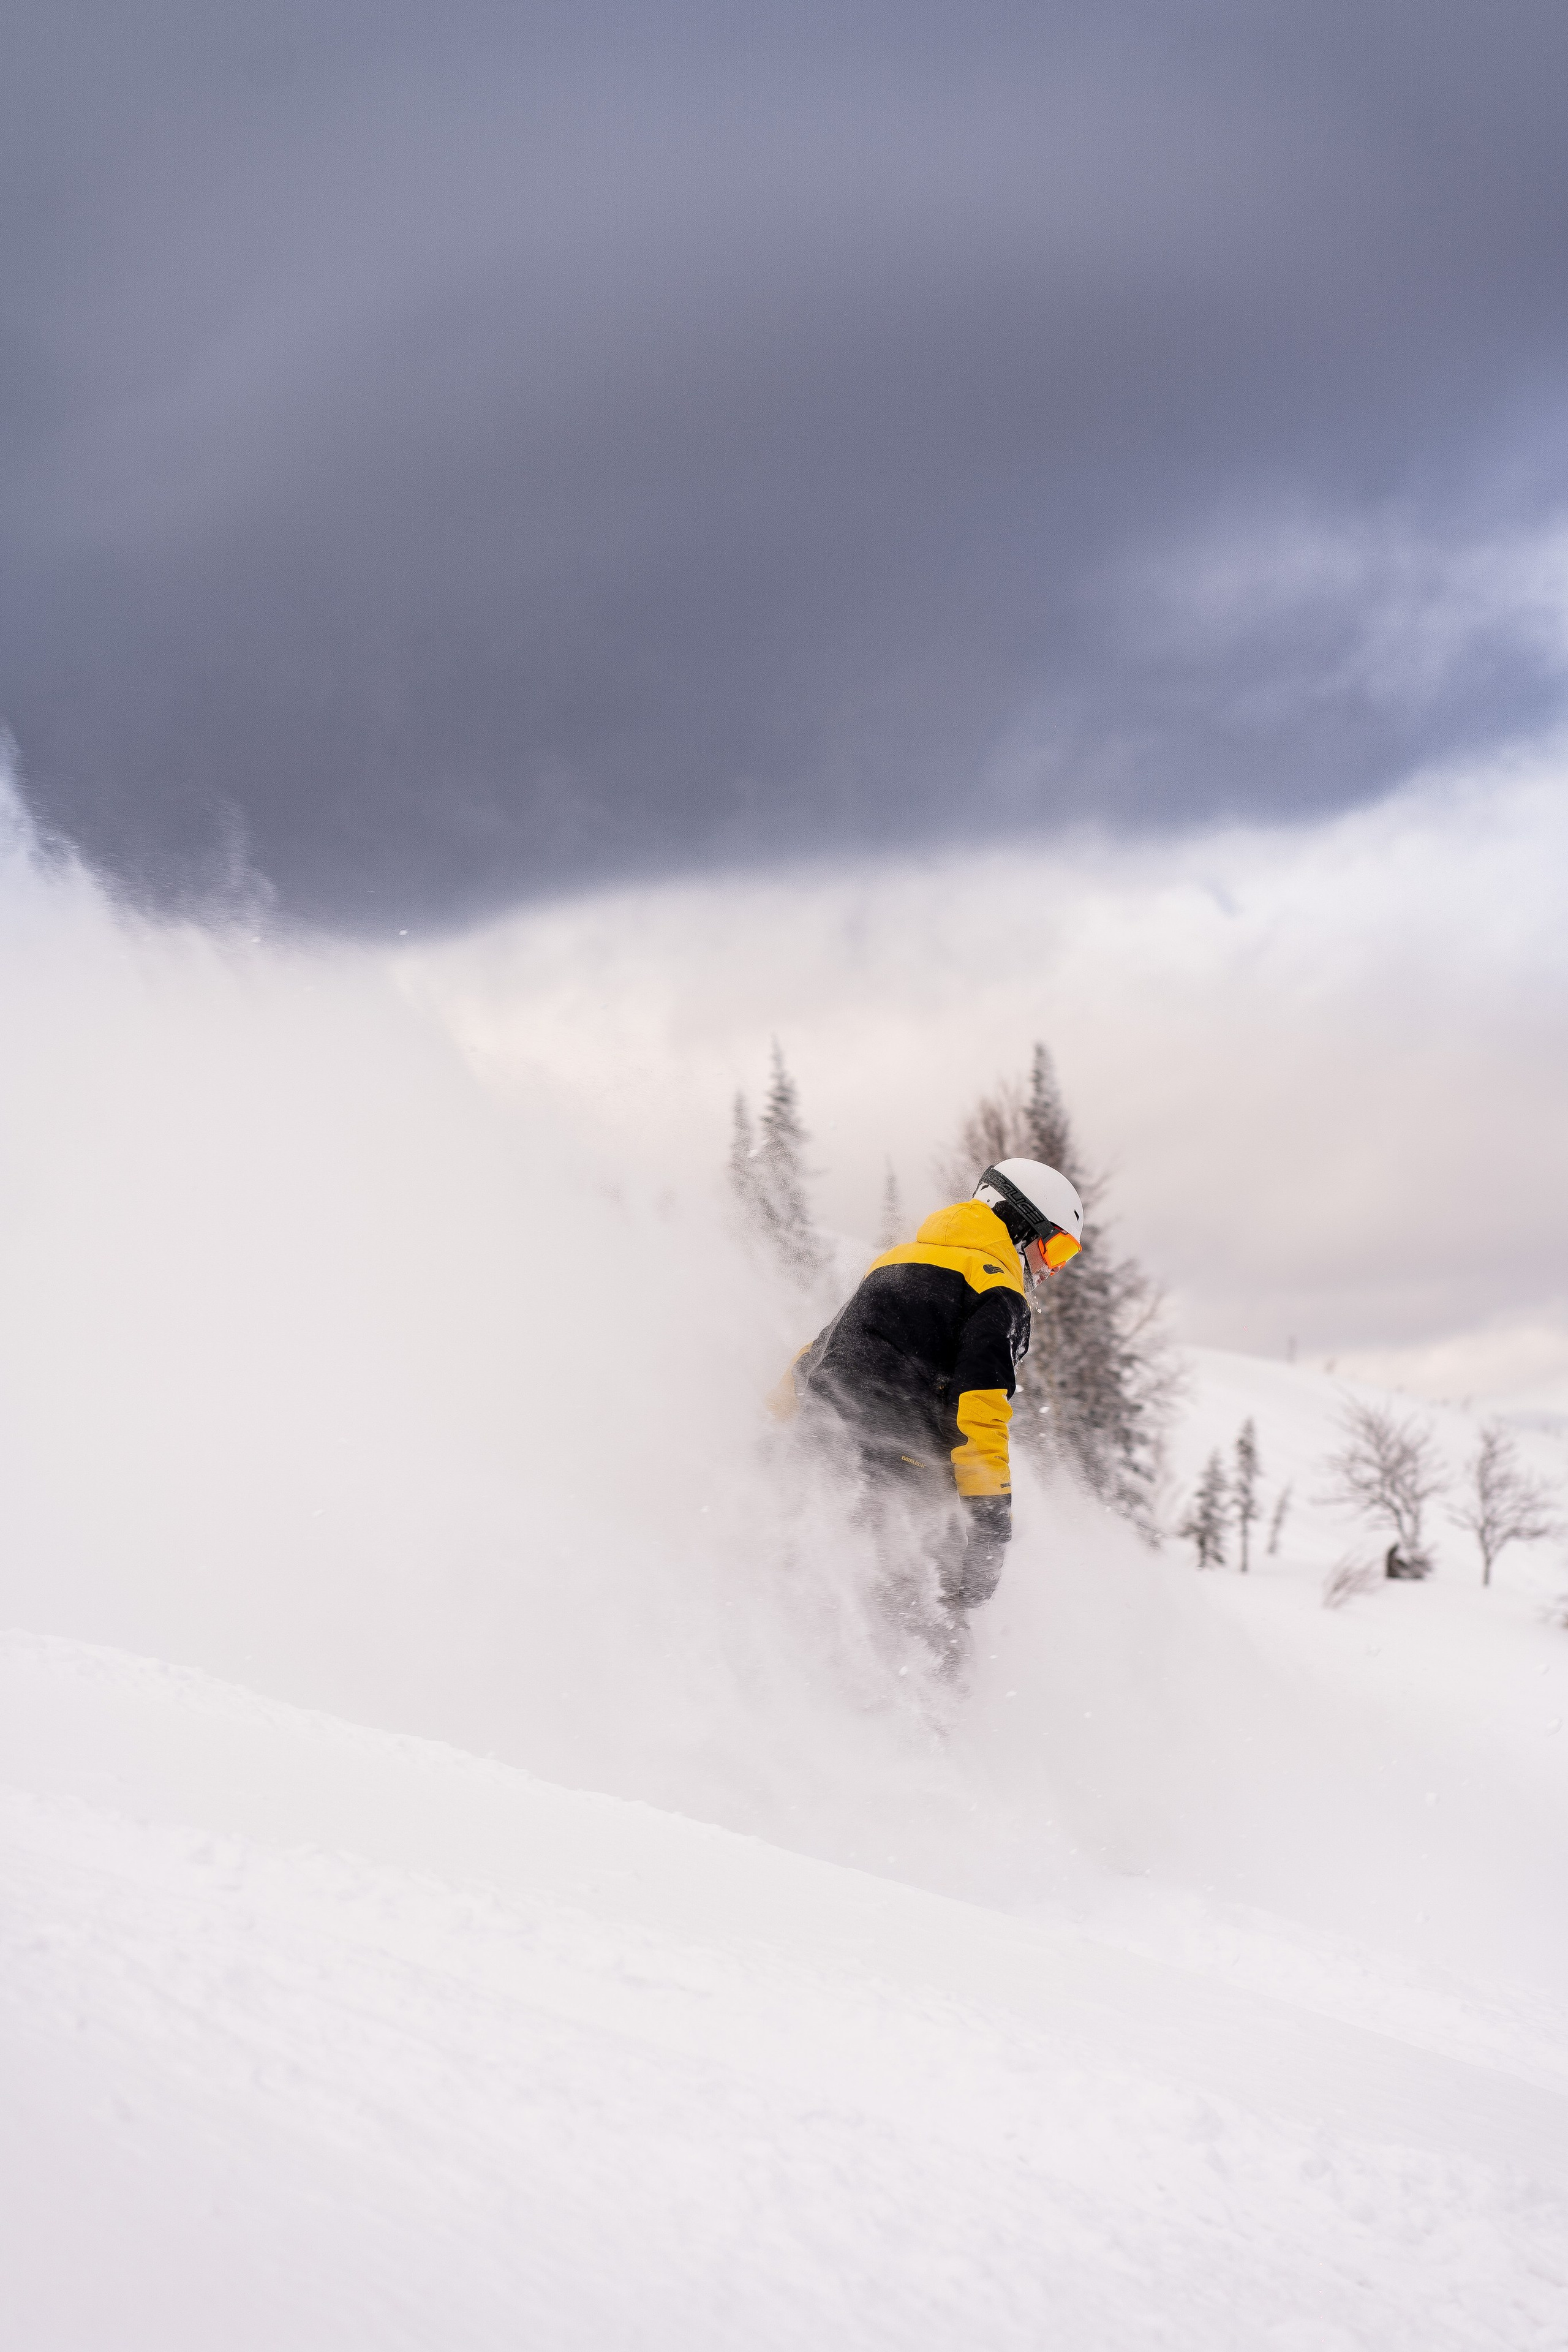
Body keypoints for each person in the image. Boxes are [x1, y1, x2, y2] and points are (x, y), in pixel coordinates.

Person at [774, 1159, 1084, 1665]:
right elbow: (980, 1412)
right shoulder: (997, 1291)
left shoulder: (894, 1261)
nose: (1052, 1270)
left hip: (819, 1446)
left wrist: (775, 1430)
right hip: (894, 1471)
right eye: (1057, 1249)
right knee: (932, 1622)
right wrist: (991, 1523)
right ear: (1020, 1223)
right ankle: (919, 1705)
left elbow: (818, 1354)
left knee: (813, 1590)